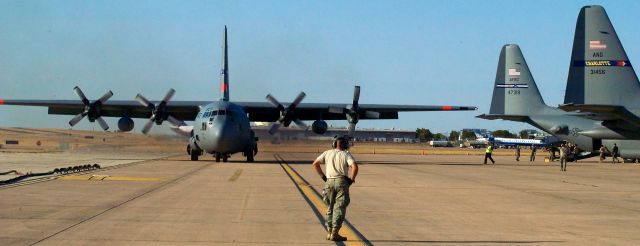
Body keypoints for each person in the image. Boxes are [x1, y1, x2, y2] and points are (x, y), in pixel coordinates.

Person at [312, 136, 358, 241]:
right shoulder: (346, 154)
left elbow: (315, 164)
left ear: (334, 144)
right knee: (339, 208)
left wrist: (323, 177)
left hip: (329, 182)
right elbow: (354, 167)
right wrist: (351, 179)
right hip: (341, 182)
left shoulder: (327, 153)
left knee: (330, 208)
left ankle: (329, 232)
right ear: (345, 145)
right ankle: (335, 233)